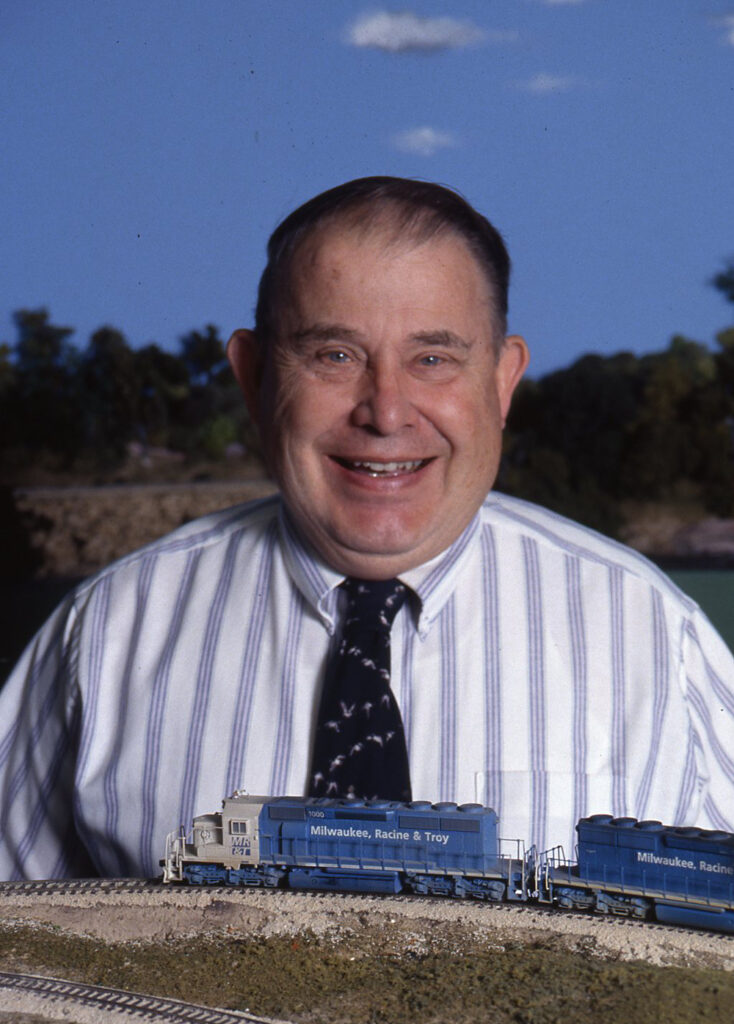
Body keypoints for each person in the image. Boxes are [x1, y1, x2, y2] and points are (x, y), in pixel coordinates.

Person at [2, 177, 733, 880]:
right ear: (253, 378)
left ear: (503, 381)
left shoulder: (652, 632)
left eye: (433, 358)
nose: (386, 411)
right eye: (335, 355)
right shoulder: (105, 634)